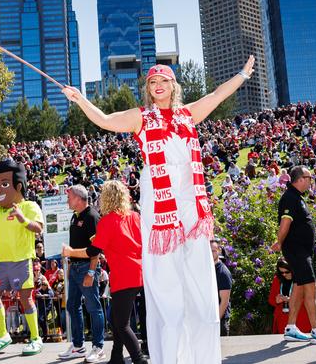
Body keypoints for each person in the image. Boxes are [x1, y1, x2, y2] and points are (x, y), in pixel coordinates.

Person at [63, 56, 256, 363]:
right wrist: (80, 99)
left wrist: (242, 75)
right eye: (152, 82)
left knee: (197, 284)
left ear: (173, 86)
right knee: (167, 286)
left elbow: (217, 95)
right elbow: (106, 120)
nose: (157, 86)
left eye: (163, 81)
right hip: (160, 204)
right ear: (149, 89)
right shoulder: (141, 117)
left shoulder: (187, 114)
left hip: (190, 203)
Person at [62, 180, 147, 364]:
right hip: (138, 273)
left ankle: (140, 361)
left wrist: (70, 252)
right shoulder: (134, 216)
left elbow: (92, 251)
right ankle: (116, 359)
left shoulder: (107, 221)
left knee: (122, 324)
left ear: (107, 198)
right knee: (117, 319)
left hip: (123, 275)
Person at [0, 160, 45, 356]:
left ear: (18, 186)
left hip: (22, 261)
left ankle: (36, 338)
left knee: (25, 298)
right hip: (1, 264)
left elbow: (39, 228)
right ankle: (3, 335)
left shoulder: (29, 206)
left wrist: (23, 219)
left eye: (4, 184)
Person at [271, 166, 316, 344]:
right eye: (309, 177)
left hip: (301, 251)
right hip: (297, 251)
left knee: (300, 286)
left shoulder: (296, 197)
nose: (311, 180)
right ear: (300, 179)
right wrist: (279, 241)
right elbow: (285, 222)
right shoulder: (290, 198)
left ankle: (291, 328)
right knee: (311, 287)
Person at [58, 184, 106, 363]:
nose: (67, 200)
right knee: (72, 306)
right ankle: (78, 346)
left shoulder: (92, 216)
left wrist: (92, 272)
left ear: (78, 199)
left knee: (94, 308)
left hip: (87, 268)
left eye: (69, 197)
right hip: (75, 268)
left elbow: (96, 250)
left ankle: (98, 347)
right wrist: (71, 265)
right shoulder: (74, 216)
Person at [268, 257, 311, 334]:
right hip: (282, 320)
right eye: (281, 272)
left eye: (287, 272)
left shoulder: (302, 279)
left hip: (300, 318)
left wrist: (291, 299)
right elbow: (271, 300)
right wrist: (276, 301)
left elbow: (310, 299)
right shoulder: (277, 279)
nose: (284, 274)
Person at [211, 239, 232, 336]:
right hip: (209, 320)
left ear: (219, 251)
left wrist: (215, 323)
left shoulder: (223, 272)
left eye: (213, 251)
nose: (211, 253)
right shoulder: (208, 269)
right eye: (209, 251)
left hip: (219, 321)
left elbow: (224, 302)